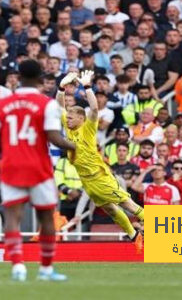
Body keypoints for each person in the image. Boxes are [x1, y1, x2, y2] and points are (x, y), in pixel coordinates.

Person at [0, 59, 76, 282]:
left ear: (18, 76)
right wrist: (76, 146)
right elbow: (54, 137)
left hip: (11, 166)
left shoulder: (1, 104)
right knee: (46, 216)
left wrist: (9, 148)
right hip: (39, 166)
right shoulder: (47, 104)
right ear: (40, 79)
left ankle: (18, 267)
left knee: (12, 216)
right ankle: (46, 269)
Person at [57, 71, 144, 252]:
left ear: (81, 119)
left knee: (128, 205)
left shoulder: (87, 129)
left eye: (71, 118)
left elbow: (95, 110)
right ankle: (134, 236)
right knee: (111, 210)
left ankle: (161, 228)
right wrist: (61, 87)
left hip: (99, 177)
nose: (68, 120)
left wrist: (87, 86)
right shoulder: (70, 129)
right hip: (87, 182)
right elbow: (59, 108)